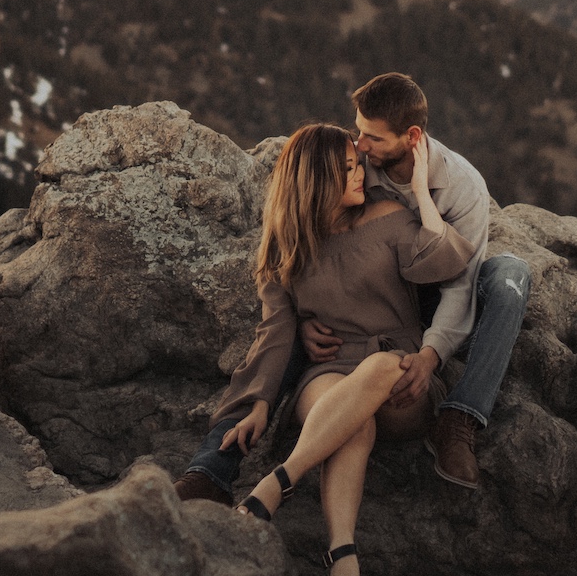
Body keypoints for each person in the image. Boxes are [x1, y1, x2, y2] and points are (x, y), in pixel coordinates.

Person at [175, 73, 532, 499]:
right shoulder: (360, 163)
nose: (359, 146)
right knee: (284, 338)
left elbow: (458, 283)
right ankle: (211, 470)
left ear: (411, 137)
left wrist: (430, 355)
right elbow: (320, 215)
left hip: (435, 292)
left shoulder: (463, 187)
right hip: (369, 299)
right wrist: (305, 316)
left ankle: (459, 419)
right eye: (357, 131)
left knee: (511, 276)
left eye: (372, 138)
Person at [210, 122, 473, 576]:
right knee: (354, 420)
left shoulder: (389, 216)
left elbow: (447, 263)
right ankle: (343, 554)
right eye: (349, 168)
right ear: (316, 179)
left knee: (379, 369)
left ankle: (279, 481)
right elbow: (276, 330)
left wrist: (421, 191)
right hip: (328, 372)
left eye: (358, 164)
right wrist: (260, 403)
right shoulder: (287, 244)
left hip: (400, 373)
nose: (362, 174)